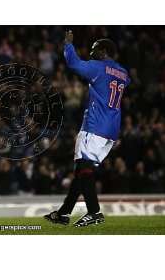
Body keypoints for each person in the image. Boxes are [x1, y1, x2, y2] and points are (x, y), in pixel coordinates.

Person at [44, 30, 131, 227]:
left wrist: (68, 45)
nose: (91, 53)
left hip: (94, 126)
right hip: (111, 130)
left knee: (83, 167)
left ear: (104, 51)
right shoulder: (123, 73)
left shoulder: (99, 67)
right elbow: (126, 82)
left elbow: (74, 64)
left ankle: (94, 211)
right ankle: (63, 213)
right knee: (82, 171)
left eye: (94, 50)